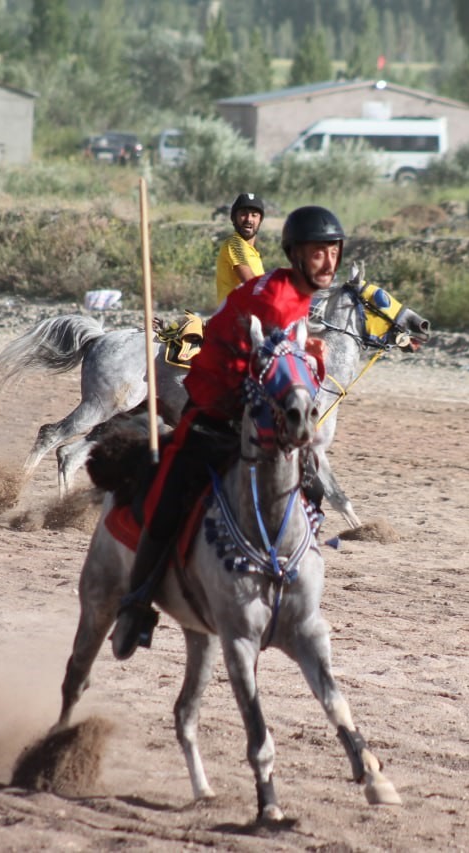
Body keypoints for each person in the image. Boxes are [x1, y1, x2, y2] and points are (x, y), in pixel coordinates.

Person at [110, 205, 346, 660]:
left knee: (310, 480)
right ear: (296, 255)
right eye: (319, 253)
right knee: (167, 496)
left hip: (254, 410)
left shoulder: (297, 294)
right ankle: (136, 605)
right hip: (215, 409)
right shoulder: (274, 301)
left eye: (334, 252)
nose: (329, 262)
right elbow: (272, 366)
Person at [215, 192, 266, 303]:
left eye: (254, 215)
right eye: (243, 214)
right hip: (234, 317)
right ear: (234, 218)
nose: (249, 219)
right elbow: (251, 282)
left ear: (260, 220)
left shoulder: (252, 251)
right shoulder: (235, 244)